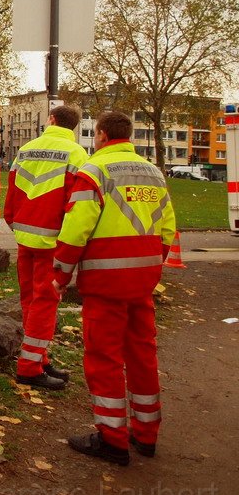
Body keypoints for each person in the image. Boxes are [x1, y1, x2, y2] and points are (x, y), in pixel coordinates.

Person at [53, 110, 176, 466]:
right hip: (142, 283)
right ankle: (146, 434)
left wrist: (60, 276)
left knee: (104, 359)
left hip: (106, 284)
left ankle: (112, 439)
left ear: (102, 134)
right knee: (142, 355)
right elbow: (167, 229)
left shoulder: (94, 172)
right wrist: (150, 267)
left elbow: (76, 231)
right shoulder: (154, 173)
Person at [3, 104, 87, 391]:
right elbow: (77, 201)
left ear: (51, 120)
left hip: (25, 236)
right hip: (53, 239)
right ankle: (29, 367)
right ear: (73, 127)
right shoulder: (77, 154)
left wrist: (15, 222)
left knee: (30, 300)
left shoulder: (27, 148)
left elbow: (12, 190)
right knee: (45, 303)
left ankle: (39, 358)